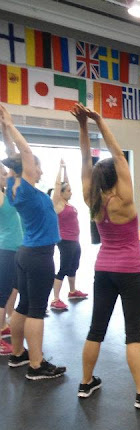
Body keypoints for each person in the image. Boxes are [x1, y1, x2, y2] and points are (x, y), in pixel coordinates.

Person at [72, 103, 140, 408]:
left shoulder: (92, 199)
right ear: (117, 175)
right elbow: (116, 155)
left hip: (103, 271)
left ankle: (85, 383)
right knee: (133, 333)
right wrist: (99, 121)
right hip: (130, 272)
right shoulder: (124, 198)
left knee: (96, 329)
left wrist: (83, 126)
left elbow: (86, 159)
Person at [0, 104, 66, 380]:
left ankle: (18, 354)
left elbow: (13, 156)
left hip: (26, 254)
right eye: (37, 166)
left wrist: (4, 129)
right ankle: (37, 365)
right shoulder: (24, 188)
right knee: (36, 309)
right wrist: (12, 124)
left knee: (24, 306)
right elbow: (24, 153)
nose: (39, 171)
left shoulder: (15, 186)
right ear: (29, 169)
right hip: (38, 256)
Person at [50, 159, 88, 311]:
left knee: (74, 266)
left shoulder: (68, 203)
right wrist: (60, 168)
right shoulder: (58, 203)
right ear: (61, 193)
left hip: (75, 240)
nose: (71, 192)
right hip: (65, 240)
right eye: (69, 190)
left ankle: (72, 292)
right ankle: (55, 299)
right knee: (64, 268)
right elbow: (58, 185)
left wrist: (66, 169)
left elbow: (66, 183)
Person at [0, 160, 23, 356]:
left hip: (16, 248)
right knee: (2, 293)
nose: (6, 175)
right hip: (6, 248)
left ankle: (6, 321)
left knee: (13, 288)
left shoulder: (9, 195)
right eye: (2, 173)